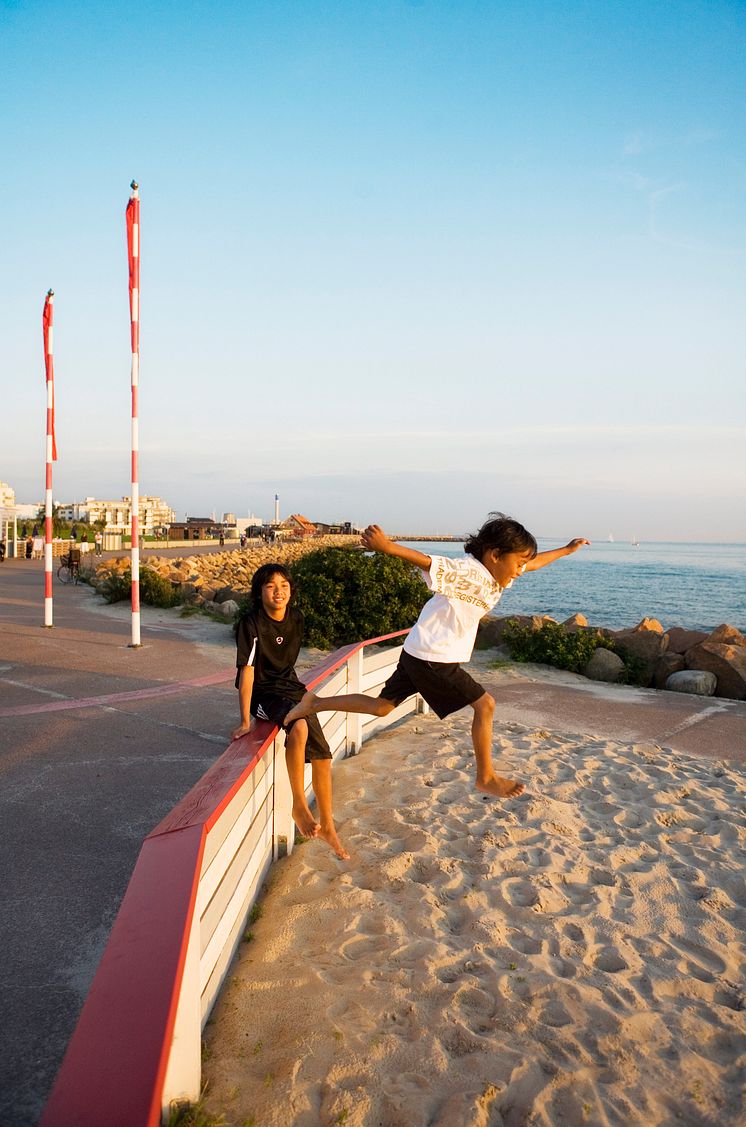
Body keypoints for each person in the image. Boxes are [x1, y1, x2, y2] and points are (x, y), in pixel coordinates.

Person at [286, 514, 590, 800]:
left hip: (418, 650)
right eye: (518, 562)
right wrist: (386, 547)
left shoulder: (499, 576)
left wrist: (566, 550)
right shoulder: (468, 571)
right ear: (495, 555)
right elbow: (428, 562)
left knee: (382, 707)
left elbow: (535, 564)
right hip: (433, 656)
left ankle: (315, 703)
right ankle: (486, 776)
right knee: (485, 706)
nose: (521, 570)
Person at [232, 563, 350, 860]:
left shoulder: (296, 618)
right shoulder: (251, 624)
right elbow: (246, 672)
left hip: (292, 688)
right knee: (298, 727)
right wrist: (246, 720)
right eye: (271, 586)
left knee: (323, 755)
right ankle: (299, 805)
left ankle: (329, 825)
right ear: (259, 593)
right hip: (263, 693)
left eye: (284, 586)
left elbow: (287, 664)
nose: (278, 592)